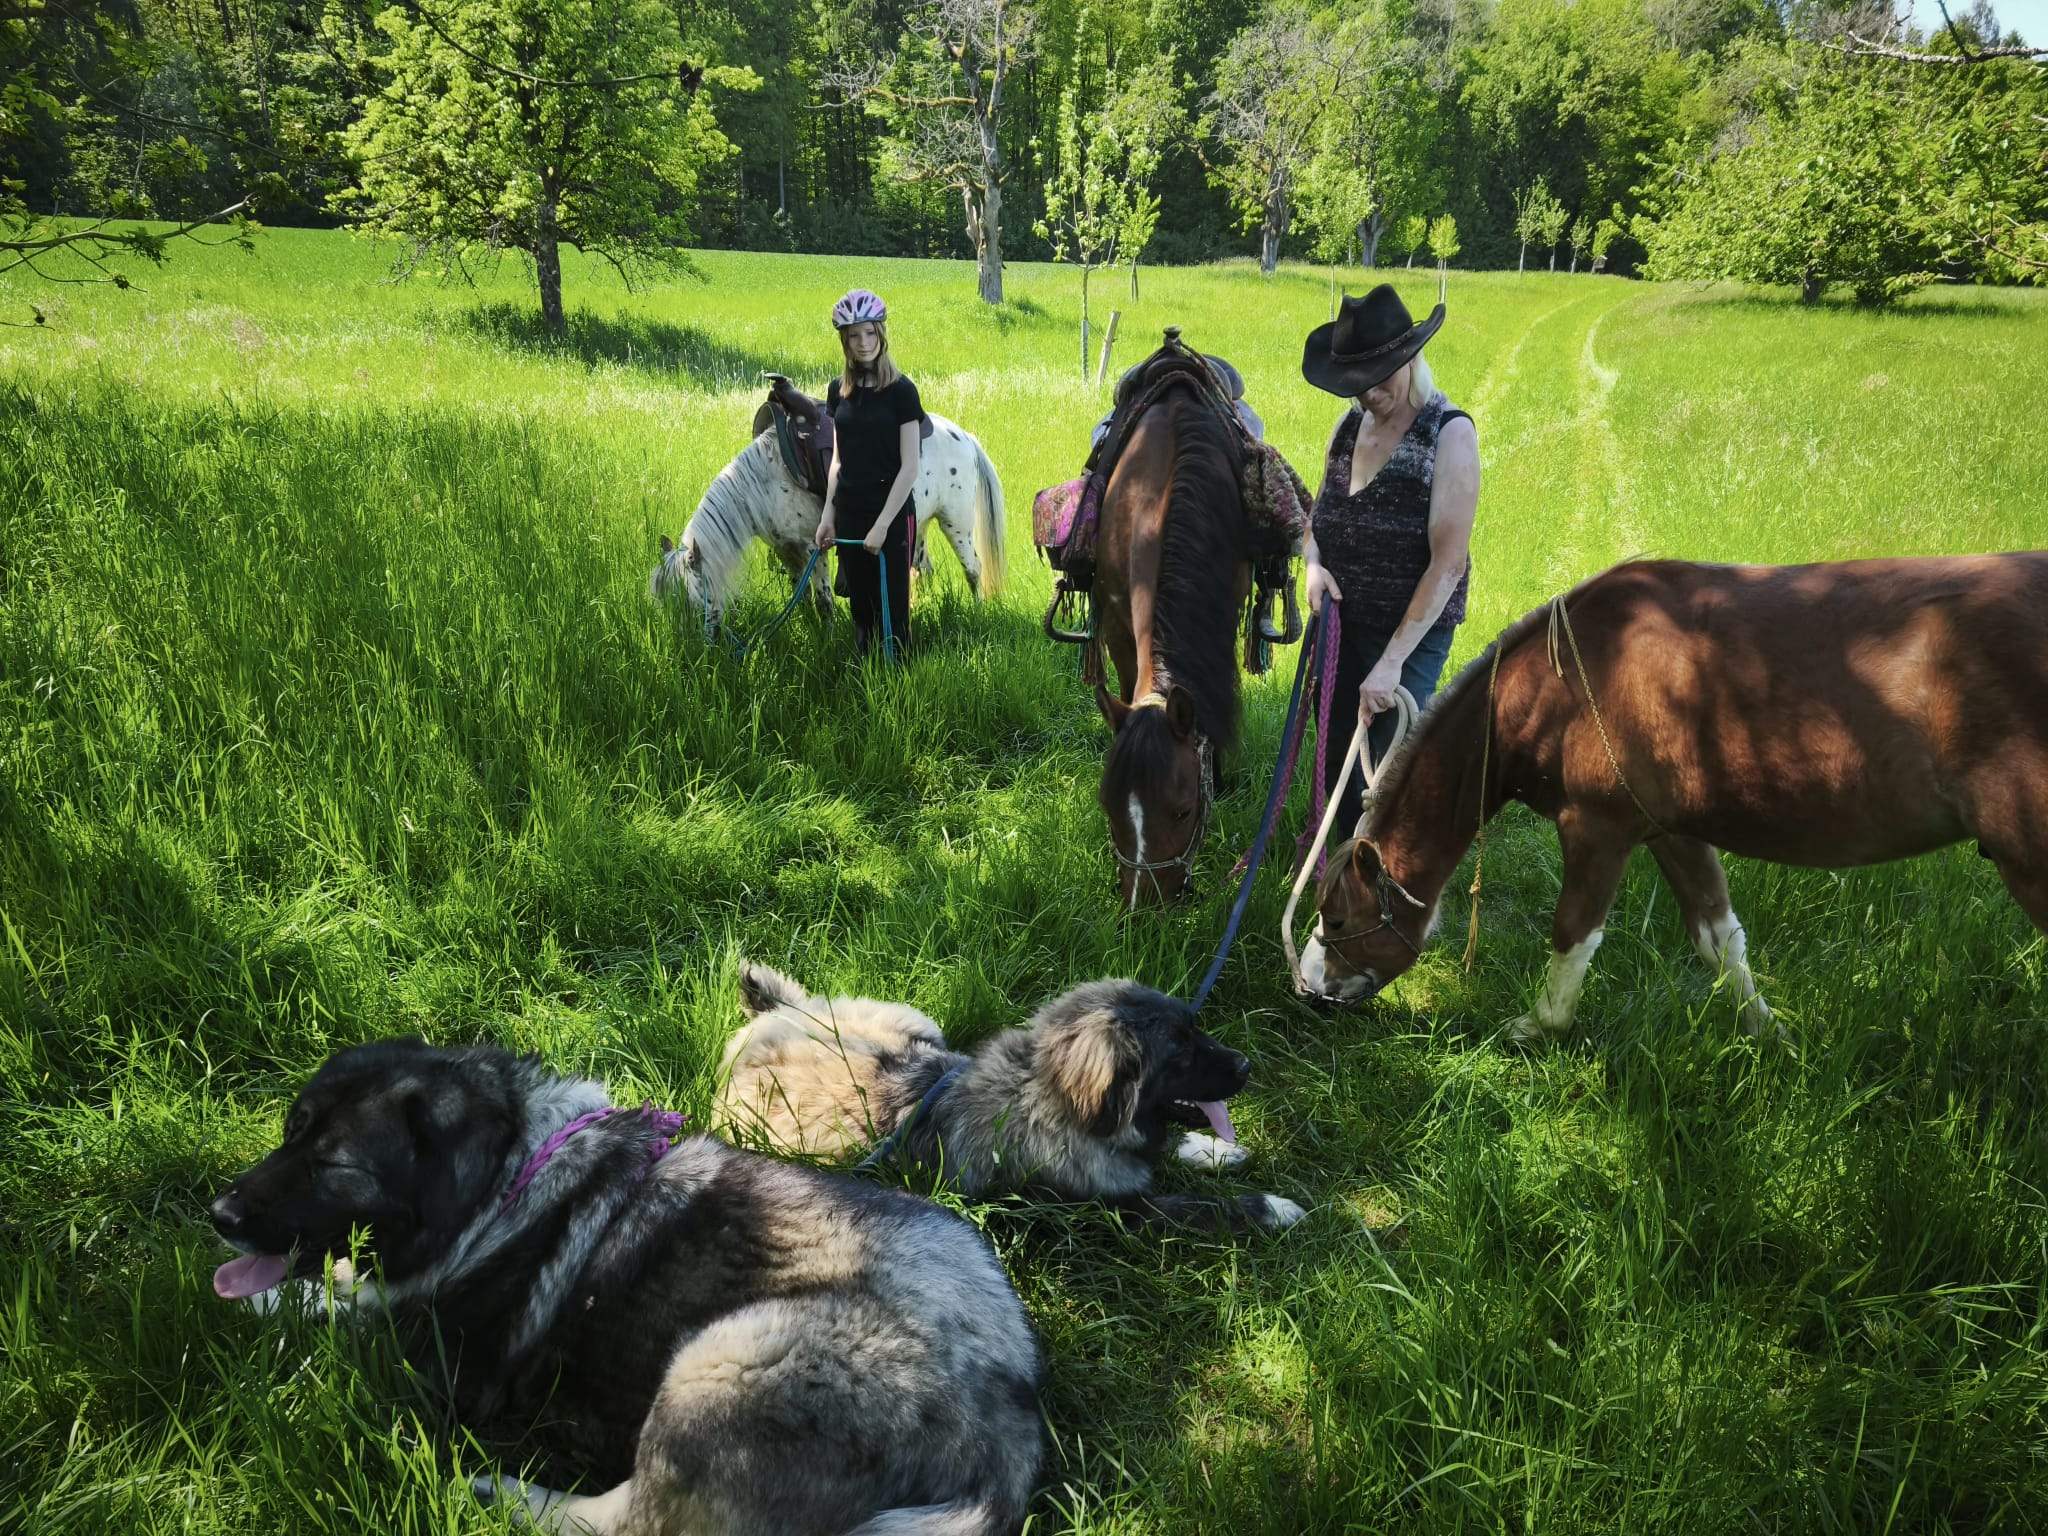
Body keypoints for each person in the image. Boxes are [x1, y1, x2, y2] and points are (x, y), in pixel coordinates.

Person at [1300, 283, 1480, 838]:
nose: (1367, 395)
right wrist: (1311, 565)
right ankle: (1333, 872)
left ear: (1409, 360)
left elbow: (1447, 564)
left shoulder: (1449, 435)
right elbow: (1316, 520)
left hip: (1410, 637)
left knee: (1385, 766)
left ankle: (1380, 893)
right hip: (1344, 626)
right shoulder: (1348, 428)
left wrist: (1392, 661)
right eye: (1356, 384)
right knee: (1334, 753)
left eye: (1378, 380)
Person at [814, 289, 924, 658]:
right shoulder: (837, 391)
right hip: (849, 512)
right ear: (845, 341)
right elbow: (838, 461)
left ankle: (900, 682)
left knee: (892, 609)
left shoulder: (902, 392)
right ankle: (868, 677)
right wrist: (829, 516)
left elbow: (910, 467)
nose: (864, 344)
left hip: (890, 514)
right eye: (855, 336)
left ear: (881, 335)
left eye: (870, 334)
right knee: (860, 608)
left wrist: (881, 526)